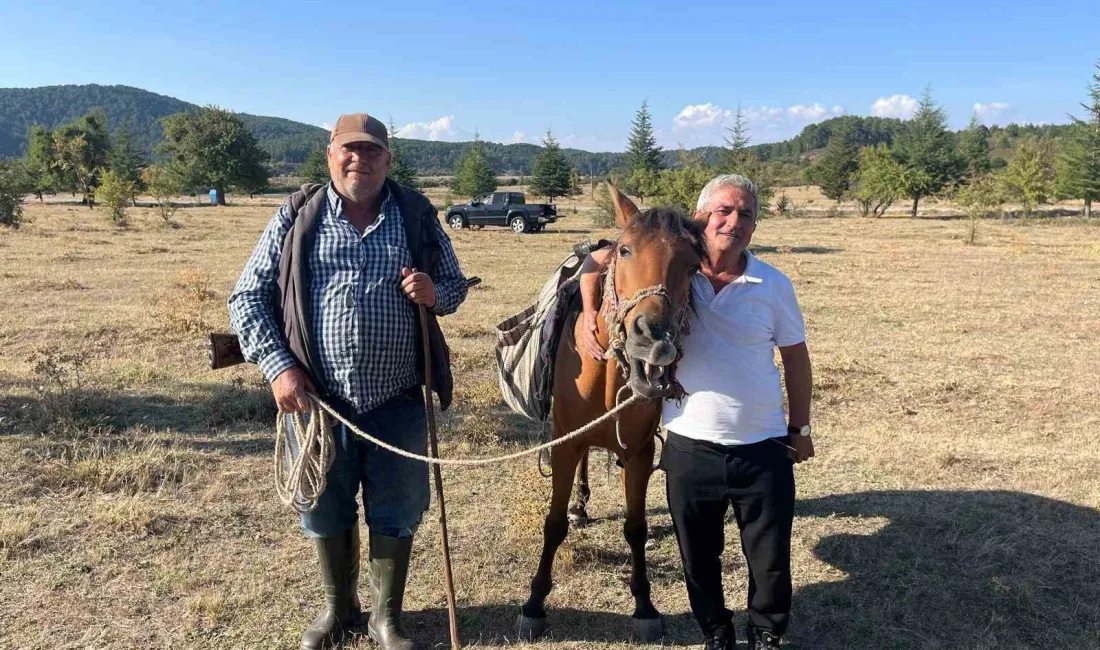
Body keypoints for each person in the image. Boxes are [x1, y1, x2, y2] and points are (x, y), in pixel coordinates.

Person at [227, 113, 468, 650]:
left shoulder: (416, 214)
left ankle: (386, 620)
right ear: (330, 154)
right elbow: (246, 299)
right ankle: (338, 610)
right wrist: (278, 368)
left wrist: (435, 291)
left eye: (373, 151)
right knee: (323, 506)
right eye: (349, 150)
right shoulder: (297, 215)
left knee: (398, 509)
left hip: (398, 399)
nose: (360, 159)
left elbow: (453, 287)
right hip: (316, 401)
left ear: (389, 159)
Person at [578, 174, 814, 650]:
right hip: (690, 442)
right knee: (697, 555)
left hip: (763, 442)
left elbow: (796, 357)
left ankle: (766, 633)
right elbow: (596, 258)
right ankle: (716, 633)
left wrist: (800, 427)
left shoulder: (772, 283)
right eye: (724, 210)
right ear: (702, 217)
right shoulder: (676, 272)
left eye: (746, 213)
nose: (735, 221)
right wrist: (587, 312)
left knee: (769, 558)